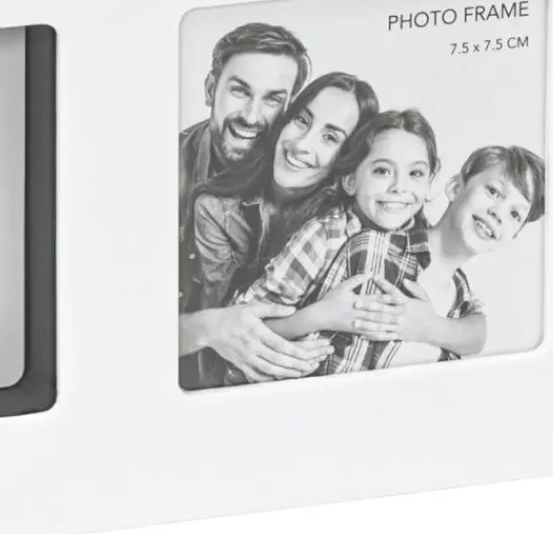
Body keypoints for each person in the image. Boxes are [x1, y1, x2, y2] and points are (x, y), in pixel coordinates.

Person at [180, 72, 379, 387]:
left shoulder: (347, 220)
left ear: (349, 157)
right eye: (301, 120)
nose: (301, 144)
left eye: (330, 137)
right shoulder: (216, 208)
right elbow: (223, 329)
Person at [226, 108, 441, 382]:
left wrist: (436, 328)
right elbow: (244, 327)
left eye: (416, 173)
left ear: (429, 183)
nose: (399, 186)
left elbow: (473, 327)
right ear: (350, 181)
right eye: (382, 171)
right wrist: (319, 316)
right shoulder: (324, 235)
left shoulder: (421, 241)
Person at [313, 144, 546, 374]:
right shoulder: (373, 249)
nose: (498, 213)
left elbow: (477, 338)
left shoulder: (462, 301)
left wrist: (431, 328)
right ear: (455, 188)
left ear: (513, 237)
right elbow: (311, 348)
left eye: (515, 214)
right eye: (493, 191)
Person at [177, 22, 313, 387]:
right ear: (211, 88)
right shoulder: (157, 172)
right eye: (240, 91)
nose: (252, 117)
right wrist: (206, 328)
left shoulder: (305, 177)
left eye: (272, 100)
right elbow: (111, 326)